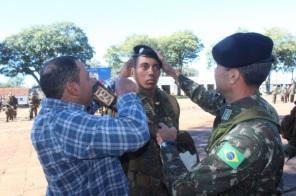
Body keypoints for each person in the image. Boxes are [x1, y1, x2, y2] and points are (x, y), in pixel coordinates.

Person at [156, 32, 284, 195]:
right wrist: (174, 73)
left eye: (217, 65)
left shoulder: (244, 140)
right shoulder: (255, 107)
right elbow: (205, 97)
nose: (215, 71)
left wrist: (167, 145)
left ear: (233, 76)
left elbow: (184, 189)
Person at [31, 56, 150, 195]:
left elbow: (94, 100)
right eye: (88, 77)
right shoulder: (63, 123)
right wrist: (126, 93)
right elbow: (136, 131)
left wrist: (119, 78)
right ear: (73, 87)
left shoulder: (58, 113)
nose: (93, 80)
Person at [118, 45, 198, 196]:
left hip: (170, 184)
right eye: (144, 66)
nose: (151, 72)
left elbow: (175, 137)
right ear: (132, 71)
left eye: (156, 67)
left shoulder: (171, 102)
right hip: (137, 188)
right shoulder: (123, 103)